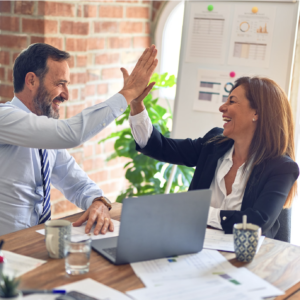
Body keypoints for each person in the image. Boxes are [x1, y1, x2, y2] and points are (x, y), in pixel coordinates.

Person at [0, 43, 157, 236]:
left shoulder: (46, 137)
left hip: (35, 245)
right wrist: (128, 93)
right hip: (7, 250)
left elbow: (76, 183)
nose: (66, 95)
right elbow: (70, 134)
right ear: (31, 81)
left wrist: (98, 202)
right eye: (60, 84)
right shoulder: (4, 118)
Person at [128, 76, 299, 238]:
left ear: (256, 113)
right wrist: (136, 105)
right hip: (196, 248)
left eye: (232, 101)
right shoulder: (213, 144)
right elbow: (160, 147)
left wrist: (198, 212)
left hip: (248, 260)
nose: (222, 107)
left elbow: (256, 222)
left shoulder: (281, 168)